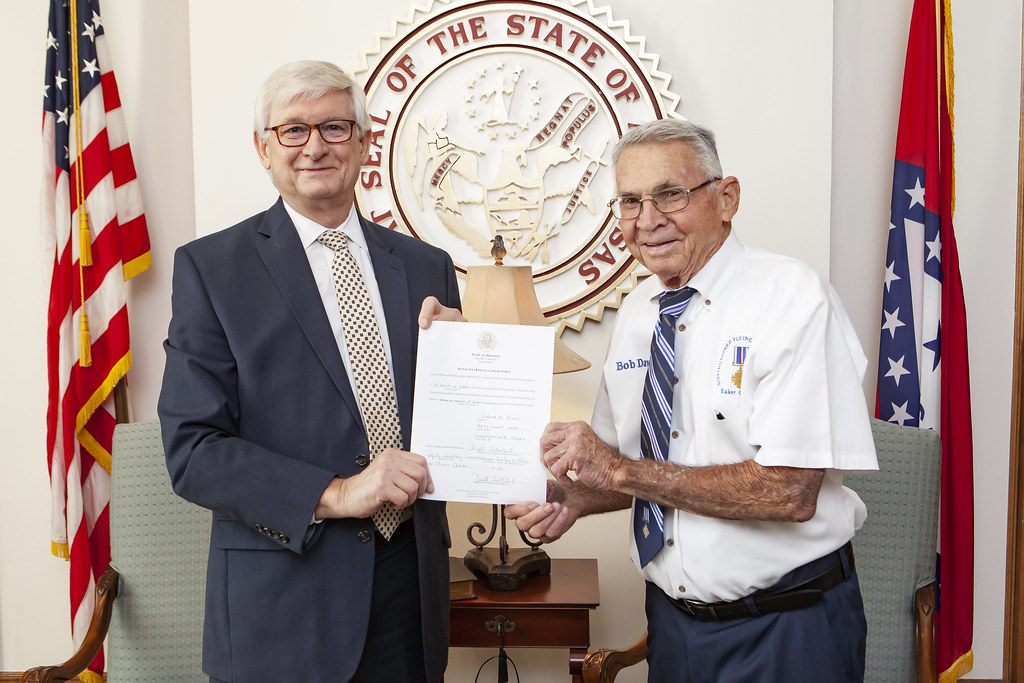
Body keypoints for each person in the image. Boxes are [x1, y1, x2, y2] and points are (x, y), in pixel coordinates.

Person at [504, 119, 879, 682]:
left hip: (786, 628)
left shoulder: (792, 298)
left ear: (725, 199)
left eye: (669, 194)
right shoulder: (637, 313)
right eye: (630, 202)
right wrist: (575, 496)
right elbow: (627, 468)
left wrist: (616, 471)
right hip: (673, 630)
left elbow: (791, 489)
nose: (647, 221)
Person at [158, 60, 462, 683]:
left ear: (363, 142)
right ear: (263, 148)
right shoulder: (212, 269)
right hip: (284, 602)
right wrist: (340, 493)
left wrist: (459, 369)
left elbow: (446, 429)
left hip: (410, 591)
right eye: (293, 130)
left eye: (334, 127)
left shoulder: (427, 265)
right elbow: (193, 453)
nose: (315, 146)